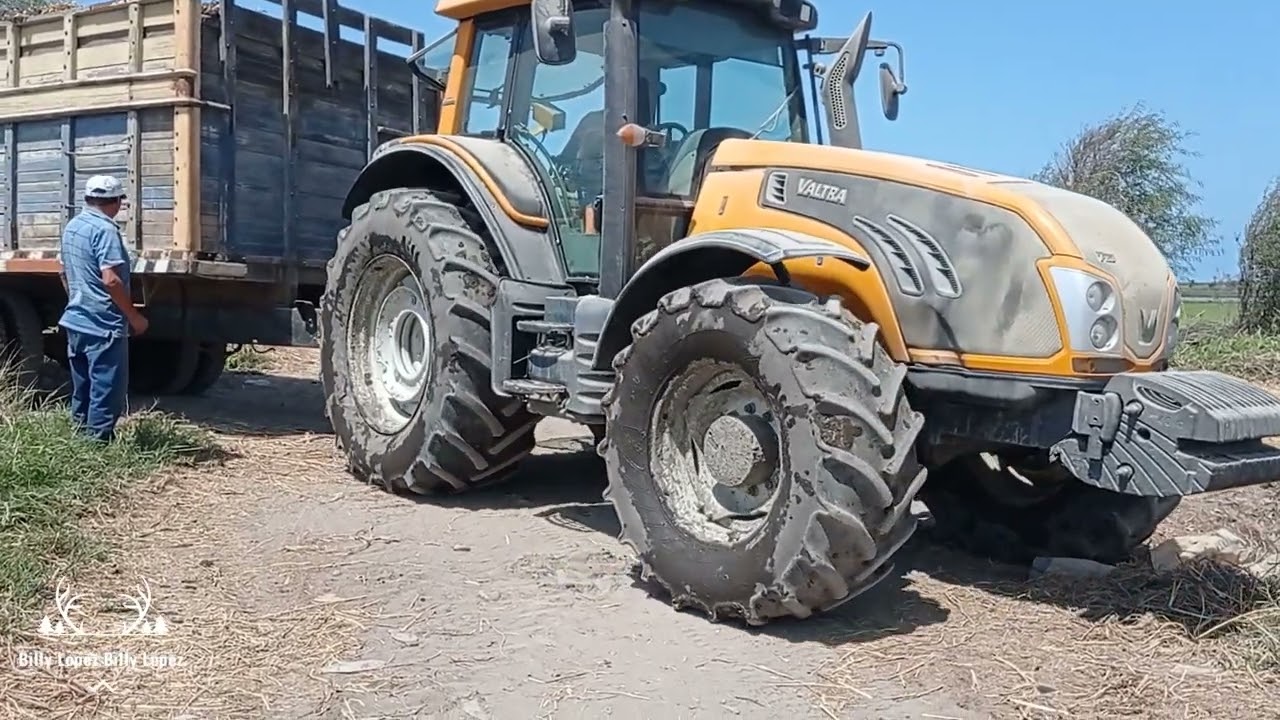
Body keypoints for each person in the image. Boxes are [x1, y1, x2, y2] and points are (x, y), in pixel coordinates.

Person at [58, 175, 148, 443]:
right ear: (117, 202)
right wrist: (134, 317)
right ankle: (97, 445)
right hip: (103, 325)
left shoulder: (73, 226)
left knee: (82, 385)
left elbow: (63, 271)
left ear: (88, 198)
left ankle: (78, 438)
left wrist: (78, 299)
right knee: (107, 387)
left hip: (76, 319)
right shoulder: (106, 230)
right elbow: (110, 279)